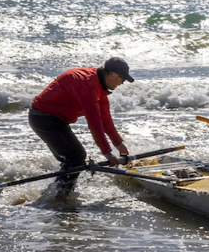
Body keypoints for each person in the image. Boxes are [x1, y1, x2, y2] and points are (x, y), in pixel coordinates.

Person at [28, 56, 134, 197]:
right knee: (76, 156)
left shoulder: (100, 88)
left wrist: (119, 144)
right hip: (43, 118)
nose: (123, 83)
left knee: (71, 161)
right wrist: (107, 152)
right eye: (123, 79)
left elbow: (105, 120)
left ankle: (54, 194)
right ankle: (59, 196)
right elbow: (94, 121)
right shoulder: (87, 83)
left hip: (55, 120)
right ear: (113, 75)